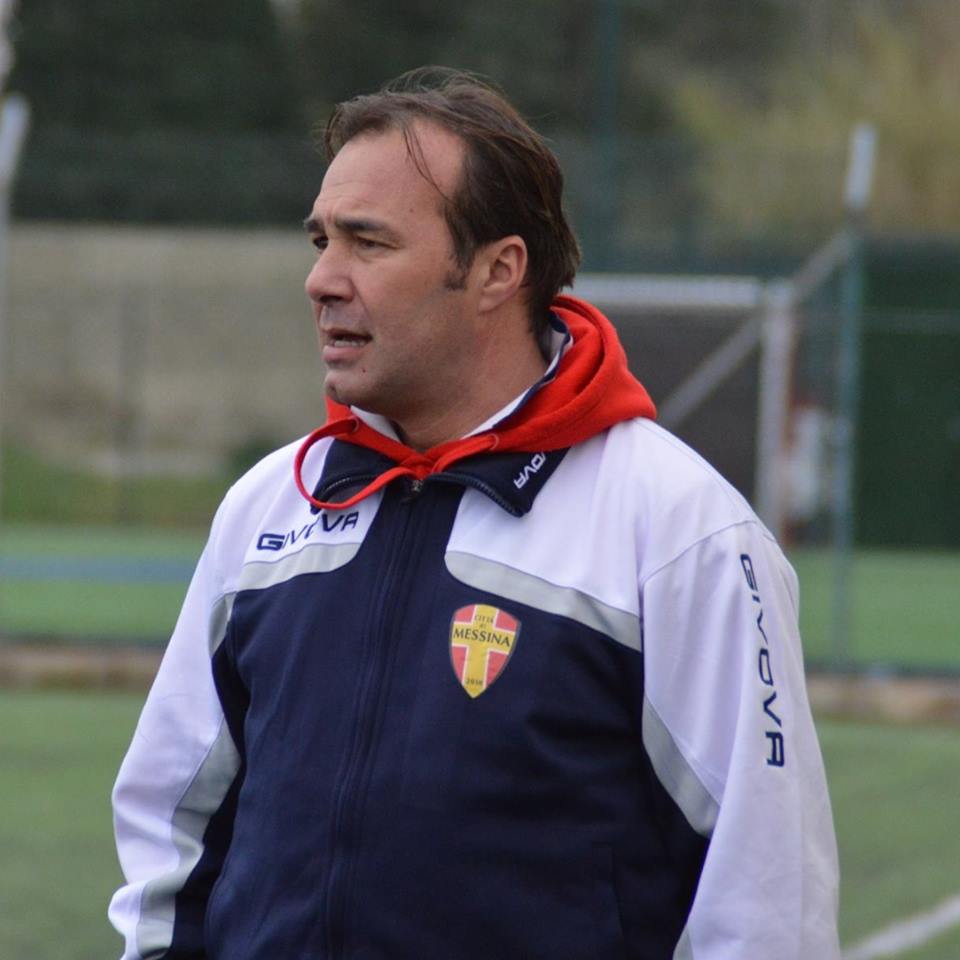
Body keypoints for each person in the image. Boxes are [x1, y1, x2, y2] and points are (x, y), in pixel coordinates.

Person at [109, 66, 840, 960]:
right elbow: (170, 826)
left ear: (498, 271)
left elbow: (767, 896)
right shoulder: (268, 506)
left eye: (368, 243)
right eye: (321, 240)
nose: (322, 279)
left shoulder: (681, 529)